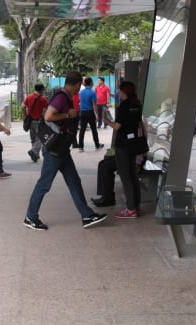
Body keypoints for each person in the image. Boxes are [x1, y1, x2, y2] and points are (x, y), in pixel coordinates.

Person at [23, 71, 107, 231]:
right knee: (44, 184)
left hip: (61, 149)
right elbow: (48, 116)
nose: (78, 90)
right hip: (54, 150)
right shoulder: (61, 97)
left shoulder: (65, 96)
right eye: (78, 87)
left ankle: (87, 215)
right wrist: (67, 114)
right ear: (76, 84)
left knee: (74, 181)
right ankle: (30, 217)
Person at [104, 80, 146, 219]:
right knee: (133, 174)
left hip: (123, 145)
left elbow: (117, 127)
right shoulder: (136, 105)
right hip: (134, 144)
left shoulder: (124, 106)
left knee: (125, 176)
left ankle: (131, 209)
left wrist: (107, 121)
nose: (118, 93)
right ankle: (137, 206)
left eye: (119, 91)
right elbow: (139, 123)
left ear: (123, 92)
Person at [22, 83, 49, 162]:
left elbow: (23, 107)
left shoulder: (29, 97)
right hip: (39, 121)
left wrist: (26, 115)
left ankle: (35, 155)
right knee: (40, 138)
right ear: (41, 89)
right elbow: (46, 109)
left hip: (30, 121)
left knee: (33, 138)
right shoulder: (43, 99)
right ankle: (33, 151)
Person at [77, 76, 104, 151]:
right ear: (91, 83)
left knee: (82, 129)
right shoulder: (92, 92)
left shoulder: (81, 92)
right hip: (90, 112)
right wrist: (97, 115)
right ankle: (97, 144)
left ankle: (81, 146)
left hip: (82, 112)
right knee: (94, 129)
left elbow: (80, 102)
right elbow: (94, 105)